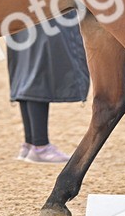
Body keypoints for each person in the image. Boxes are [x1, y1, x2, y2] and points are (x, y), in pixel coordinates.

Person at [7, 11, 90, 164]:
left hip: (22, 7)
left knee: (27, 66)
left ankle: (31, 143)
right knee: (40, 66)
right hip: (45, 5)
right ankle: (40, 146)